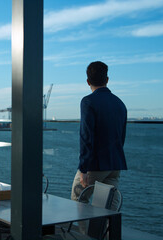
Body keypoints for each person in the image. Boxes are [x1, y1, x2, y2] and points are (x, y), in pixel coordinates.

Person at [71, 61, 127, 209]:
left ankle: (84, 233)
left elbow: (86, 137)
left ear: (88, 81)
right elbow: (121, 137)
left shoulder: (88, 101)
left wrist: (83, 169)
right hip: (115, 164)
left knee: (78, 198)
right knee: (109, 205)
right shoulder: (120, 103)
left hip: (95, 164)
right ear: (107, 80)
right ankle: (107, 233)